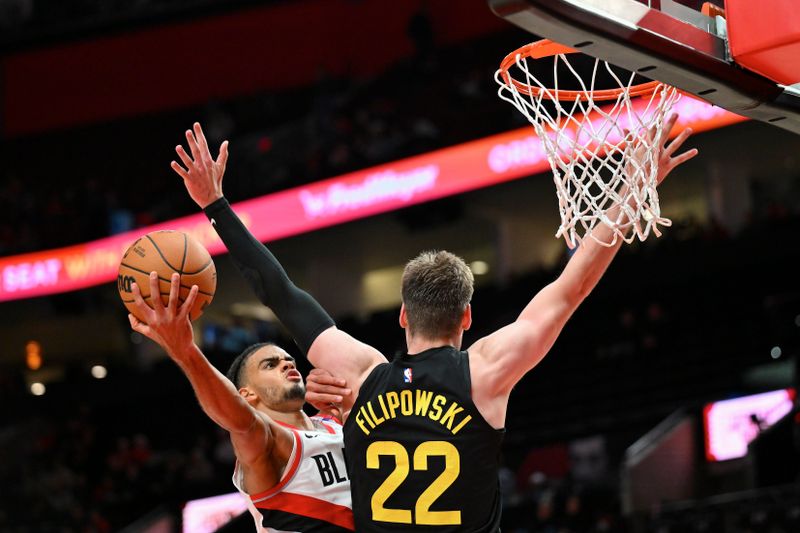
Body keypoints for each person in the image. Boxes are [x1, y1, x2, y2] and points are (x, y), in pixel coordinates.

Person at [171, 116, 697, 531]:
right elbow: (571, 288)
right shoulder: (485, 373)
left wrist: (215, 206)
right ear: (468, 316)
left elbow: (280, 291)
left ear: (402, 315)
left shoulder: (362, 375)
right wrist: (633, 190)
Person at [126, 272, 354, 532]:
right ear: (247, 395)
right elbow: (240, 421)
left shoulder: (335, 421)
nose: (287, 363)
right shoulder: (267, 441)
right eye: (271, 364)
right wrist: (185, 351)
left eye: (288, 359)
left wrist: (346, 399)